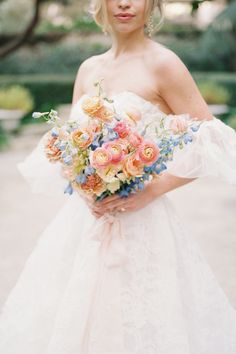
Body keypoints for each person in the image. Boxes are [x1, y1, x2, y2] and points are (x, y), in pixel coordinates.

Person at [0, 0, 236, 353]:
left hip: (145, 223)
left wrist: (151, 190)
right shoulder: (88, 68)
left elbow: (211, 140)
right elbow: (68, 143)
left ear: (151, 4)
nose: (125, 3)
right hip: (85, 223)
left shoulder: (164, 64)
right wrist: (84, 185)